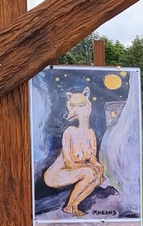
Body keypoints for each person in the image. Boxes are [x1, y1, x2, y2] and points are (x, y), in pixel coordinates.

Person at [44, 88, 107, 218]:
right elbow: (69, 162)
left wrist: (99, 168)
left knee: (96, 176)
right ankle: (70, 205)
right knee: (90, 172)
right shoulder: (70, 132)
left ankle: (73, 205)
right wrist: (91, 168)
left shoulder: (91, 134)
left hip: (76, 171)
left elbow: (92, 159)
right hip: (57, 174)